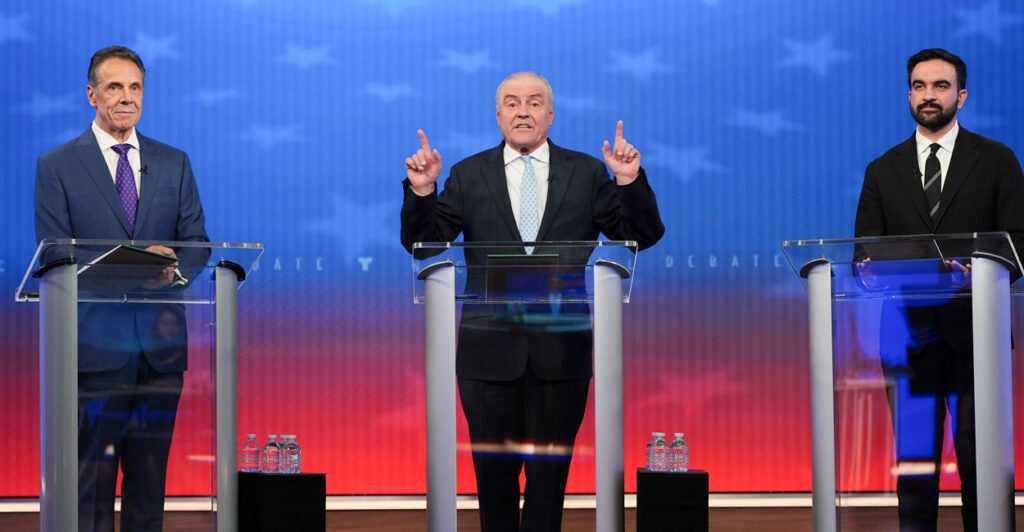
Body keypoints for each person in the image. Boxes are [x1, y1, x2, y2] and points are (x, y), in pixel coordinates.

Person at [401, 71, 664, 531]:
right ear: (498, 114)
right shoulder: (468, 174)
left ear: (551, 114)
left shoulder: (585, 172)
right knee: (493, 477)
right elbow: (425, 243)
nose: (523, 110)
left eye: (535, 102)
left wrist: (628, 180)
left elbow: (640, 235)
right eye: (513, 102)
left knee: (549, 479)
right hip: (487, 352)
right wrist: (423, 190)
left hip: (561, 350)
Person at [34, 45, 210, 532]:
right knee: (92, 478)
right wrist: (132, 267)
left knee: (149, 478)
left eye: (135, 88)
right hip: (94, 348)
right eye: (115, 87)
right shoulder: (58, 166)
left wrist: (172, 272)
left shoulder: (173, 163)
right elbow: (54, 252)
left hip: (160, 347)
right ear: (92, 95)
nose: (127, 98)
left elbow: (195, 242)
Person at [854, 48, 1024, 532]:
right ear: (909, 94)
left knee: (980, 463)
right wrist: (868, 270)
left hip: (977, 338)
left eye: (941, 86)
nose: (929, 96)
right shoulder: (881, 170)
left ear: (961, 96)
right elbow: (862, 256)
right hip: (907, 340)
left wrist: (981, 271)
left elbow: (1021, 244)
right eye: (920, 86)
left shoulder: (996, 161)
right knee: (916, 469)